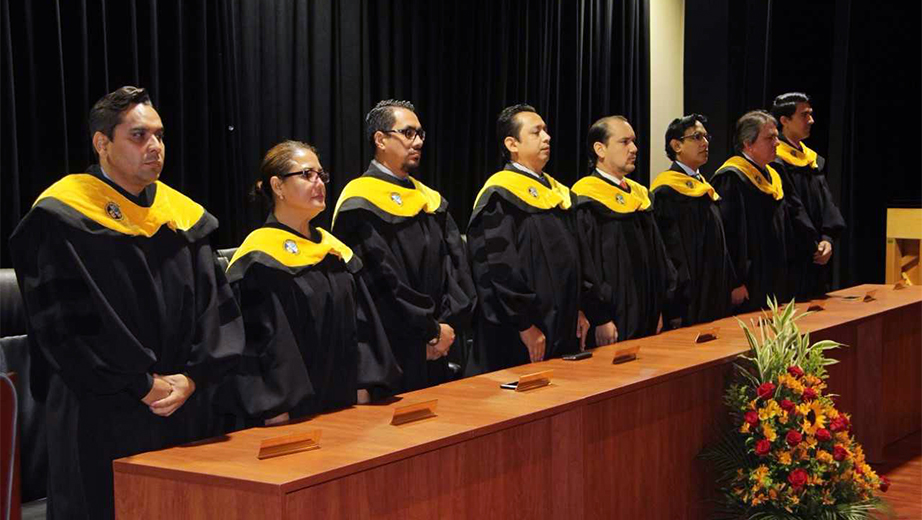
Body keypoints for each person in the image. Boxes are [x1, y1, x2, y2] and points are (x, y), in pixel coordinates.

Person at [8, 86, 244, 519]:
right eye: (138, 136)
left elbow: (215, 310)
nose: (154, 147)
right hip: (101, 411)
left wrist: (192, 378)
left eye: (159, 135)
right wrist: (140, 383)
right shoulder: (63, 217)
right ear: (103, 143)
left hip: (182, 407)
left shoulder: (183, 217)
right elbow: (64, 327)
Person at [222, 141, 400, 426]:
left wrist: (364, 387)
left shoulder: (335, 252)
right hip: (293, 418)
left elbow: (362, 327)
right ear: (277, 186)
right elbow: (265, 345)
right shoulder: (260, 258)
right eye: (306, 174)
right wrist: (275, 407)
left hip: (347, 411)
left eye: (321, 175)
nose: (319, 182)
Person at [332, 100, 476, 393]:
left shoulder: (430, 201)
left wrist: (447, 328)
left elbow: (455, 268)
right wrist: (429, 331)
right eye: (408, 133)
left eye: (420, 134)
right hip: (391, 348)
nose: (418, 141)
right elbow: (381, 279)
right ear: (381, 139)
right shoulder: (360, 202)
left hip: (443, 346)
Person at [466, 104, 590, 374]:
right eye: (536, 132)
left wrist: (578, 309)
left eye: (546, 131)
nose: (547, 137)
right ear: (512, 143)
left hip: (562, 327)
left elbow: (574, 261)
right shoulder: (500, 196)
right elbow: (497, 268)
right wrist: (524, 324)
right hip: (520, 334)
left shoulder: (558, 194)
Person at [572, 116, 676, 341]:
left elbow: (659, 258)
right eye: (625, 142)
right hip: (613, 319)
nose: (634, 148)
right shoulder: (586, 199)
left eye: (634, 141)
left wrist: (658, 307)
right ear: (600, 149)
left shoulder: (641, 196)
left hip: (648, 315)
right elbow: (585, 267)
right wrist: (600, 317)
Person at [711, 110, 814, 311]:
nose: (777, 143)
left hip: (776, 280)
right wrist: (734, 282)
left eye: (777, 136)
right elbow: (726, 237)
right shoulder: (731, 179)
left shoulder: (774, 175)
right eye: (770, 138)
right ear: (748, 144)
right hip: (750, 284)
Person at [651, 114, 738, 326]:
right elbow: (669, 254)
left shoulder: (705, 188)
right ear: (676, 145)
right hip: (689, 300)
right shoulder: (666, 192)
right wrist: (675, 304)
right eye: (697, 137)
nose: (705, 143)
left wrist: (732, 283)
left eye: (706, 137)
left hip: (715, 292)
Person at [771, 92, 846, 298]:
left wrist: (828, 239)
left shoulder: (811, 161)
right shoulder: (775, 162)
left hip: (818, 256)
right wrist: (813, 243)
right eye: (804, 115)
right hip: (792, 258)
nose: (811, 120)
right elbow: (792, 209)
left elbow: (827, 204)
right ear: (784, 121)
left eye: (810, 114)